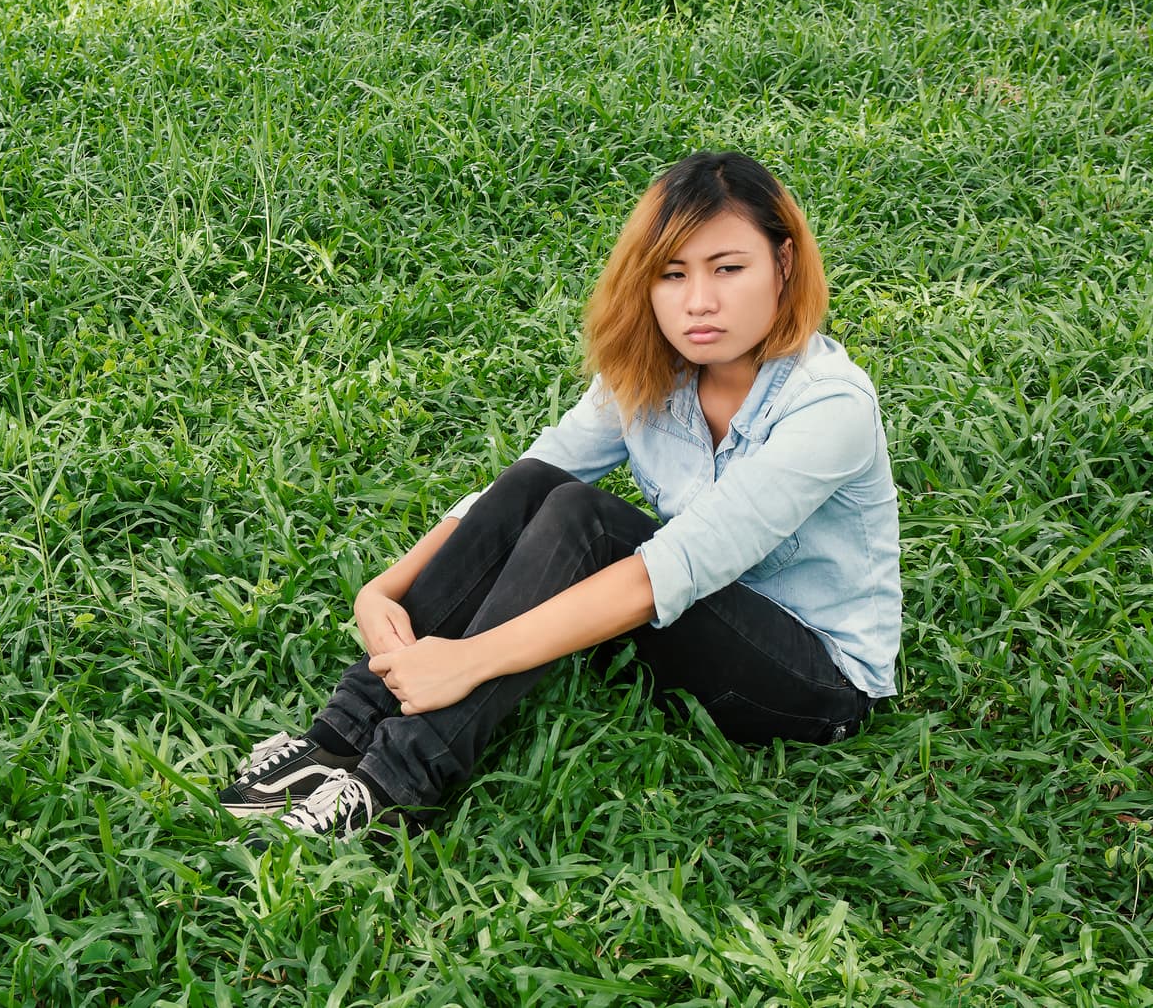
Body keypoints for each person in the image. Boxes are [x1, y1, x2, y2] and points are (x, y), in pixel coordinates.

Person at [218, 151, 901, 841]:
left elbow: (674, 568)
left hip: (811, 681)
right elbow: (524, 482)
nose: (699, 301)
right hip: (689, 622)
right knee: (541, 485)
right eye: (672, 274)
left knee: (584, 517)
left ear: (784, 263)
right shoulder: (654, 374)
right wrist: (385, 588)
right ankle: (339, 738)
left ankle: (396, 783)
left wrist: (469, 659)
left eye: (728, 268)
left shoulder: (828, 406)